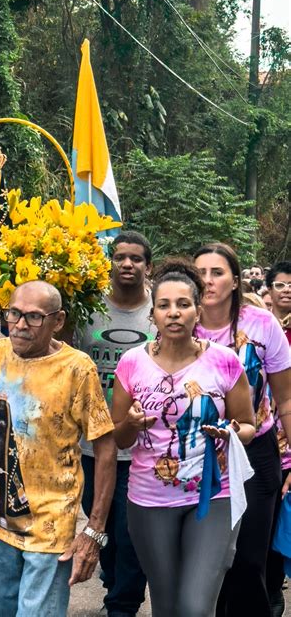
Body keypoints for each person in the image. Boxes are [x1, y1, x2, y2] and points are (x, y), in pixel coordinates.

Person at [0, 280, 117, 617]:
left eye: (33, 317)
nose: (19, 325)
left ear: (57, 321)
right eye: (14, 314)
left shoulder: (77, 368)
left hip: (50, 526)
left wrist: (94, 530)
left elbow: (105, 448)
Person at [111, 259, 255, 617]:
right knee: (167, 603)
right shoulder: (131, 363)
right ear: (153, 314)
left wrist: (231, 432)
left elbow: (248, 426)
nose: (173, 313)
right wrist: (131, 423)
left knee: (194, 607)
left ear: (197, 310)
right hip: (149, 500)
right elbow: (119, 438)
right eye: (164, 305)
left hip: (213, 495)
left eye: (183, 304)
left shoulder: (224, 362)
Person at [194, 243, 291, 617]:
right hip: (200, 455)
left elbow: (285, 399)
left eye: (217, 272)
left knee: (250, 558)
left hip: (256, 451)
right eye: (200, 272)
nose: (207, 281)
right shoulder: (182, 320)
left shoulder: (261, 323)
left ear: (235, 280)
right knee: (212, 562)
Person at [77, 231, 153, 617]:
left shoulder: (160, 311)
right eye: (120, 257)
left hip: (145, 446)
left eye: (136, 258)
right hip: (93, 442)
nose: (127, 264)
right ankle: (114, 581)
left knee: (131, 533)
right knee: (99, 524)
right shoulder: (86, 309)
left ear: (147, 266)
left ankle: (121, 604)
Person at [264, 261, 291, 616]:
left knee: (277, 526)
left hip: (287, 443)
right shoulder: (255, 328)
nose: (287, 290)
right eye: (281, 284)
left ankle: (272, 593)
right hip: (258, 436)